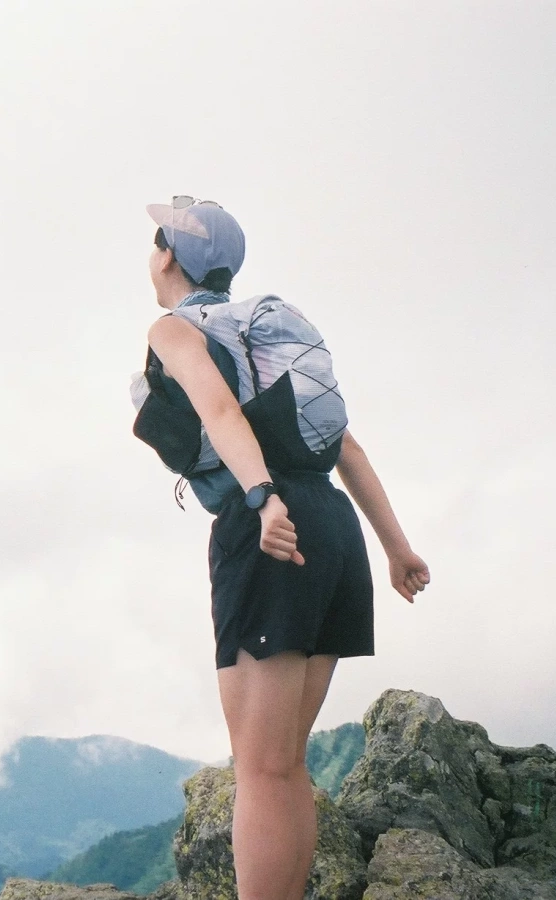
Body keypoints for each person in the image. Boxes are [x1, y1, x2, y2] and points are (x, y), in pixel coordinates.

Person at [131, 196, 430, 900]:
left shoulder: (175, 330)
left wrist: (262, 498)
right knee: (285, 763)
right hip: (332, 525)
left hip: (272, 529)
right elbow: (346, 447)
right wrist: (397, 550)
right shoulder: (262, 332)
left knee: (260, 768)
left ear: (168, 256)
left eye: (156, 241)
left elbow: (218, 410)